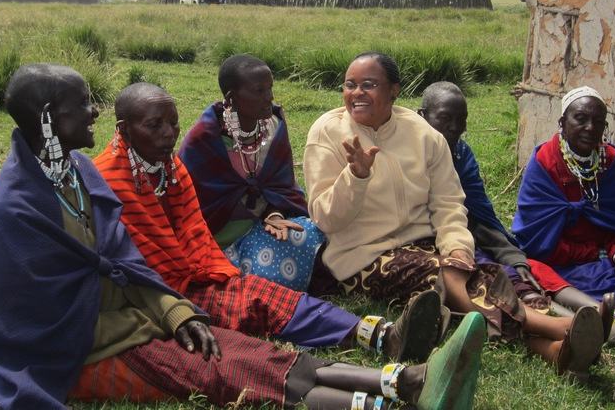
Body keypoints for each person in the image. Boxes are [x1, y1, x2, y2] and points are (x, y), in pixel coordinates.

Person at [0, 63, 486, 410]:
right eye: (83, 104)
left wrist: (175, 311)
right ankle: (384, 395)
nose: (94, 113)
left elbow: (141, 253)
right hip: (77, 346)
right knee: (222, 366)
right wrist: (164, 315)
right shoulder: (14, 208)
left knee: (243, 336)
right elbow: (37, 314)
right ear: (47, 118)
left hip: (157, 300)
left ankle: (400, 376)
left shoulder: (76, 174)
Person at [304, 52, 606, 376]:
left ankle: (553, 351)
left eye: (368, 84)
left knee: (481, 277)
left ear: (394, 90)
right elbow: (325, 218)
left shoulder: (422, 134)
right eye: (350, 85)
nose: (357, 93)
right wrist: (356, 177)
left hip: (423, 243)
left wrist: (458, 246)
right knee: (444, 276)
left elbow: (448, 203)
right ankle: (558, 326)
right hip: (361, 256)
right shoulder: (327, 133)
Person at [95, 81, 446, 362]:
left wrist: (269, 217)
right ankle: (380, 337)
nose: (169, 134)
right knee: (258, 304)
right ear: (125, 130)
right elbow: (137, 258)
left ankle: (380, 333)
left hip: (200, 269)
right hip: (156, 294)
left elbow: (193, 228)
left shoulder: (170, 166)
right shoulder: (107, 180)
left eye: (173, 123)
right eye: (154, 125)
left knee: (268, 288)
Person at [513, 85, 615, 344]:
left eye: (598, 122)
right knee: (535, 271)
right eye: (580, 118)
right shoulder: (545, 162)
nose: (590, 127)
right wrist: (594, 255)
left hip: (606, 254)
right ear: (562, 122)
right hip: (561, 259)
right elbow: (535, 239)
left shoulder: (608, 159)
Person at [180, 53, 323, 291]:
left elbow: (281, 187)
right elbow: (193, 209)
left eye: (270, 88)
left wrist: (275, 215)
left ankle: (255, 281)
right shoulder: (205, 139)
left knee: (312, 230)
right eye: (259, 91)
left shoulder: (274, 128)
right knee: (268, 281)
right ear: (232, 98)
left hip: (260, 232)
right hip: (215, 244)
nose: (269, 97)